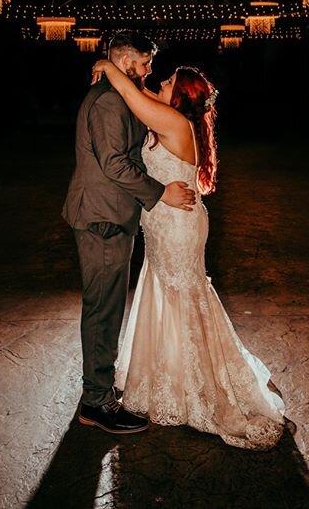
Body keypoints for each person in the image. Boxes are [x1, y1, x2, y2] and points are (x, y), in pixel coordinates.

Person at [90, 58, 286, 450]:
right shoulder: (171, 117)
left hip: (178, 227)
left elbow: (132, 93)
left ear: (178, 98)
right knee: (166, 292)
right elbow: (141, 92)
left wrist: (106, 66)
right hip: (166, 223)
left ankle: (198, 385)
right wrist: (126, 70)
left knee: (183, 296)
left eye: (168, 81)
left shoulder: (174, 124)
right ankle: (172, 375)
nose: (159, 82)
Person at [62, 30, 196, 435]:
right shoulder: (107, 103)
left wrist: (107, 67)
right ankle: (97, 402)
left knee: (107, 307)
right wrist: (160, 194)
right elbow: (114, 164)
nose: (149, 71)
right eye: (144, 63)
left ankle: (100, 390)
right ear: (126, 62)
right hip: (102, 217)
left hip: (113, 215)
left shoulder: (119, 94)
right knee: (102, 309)